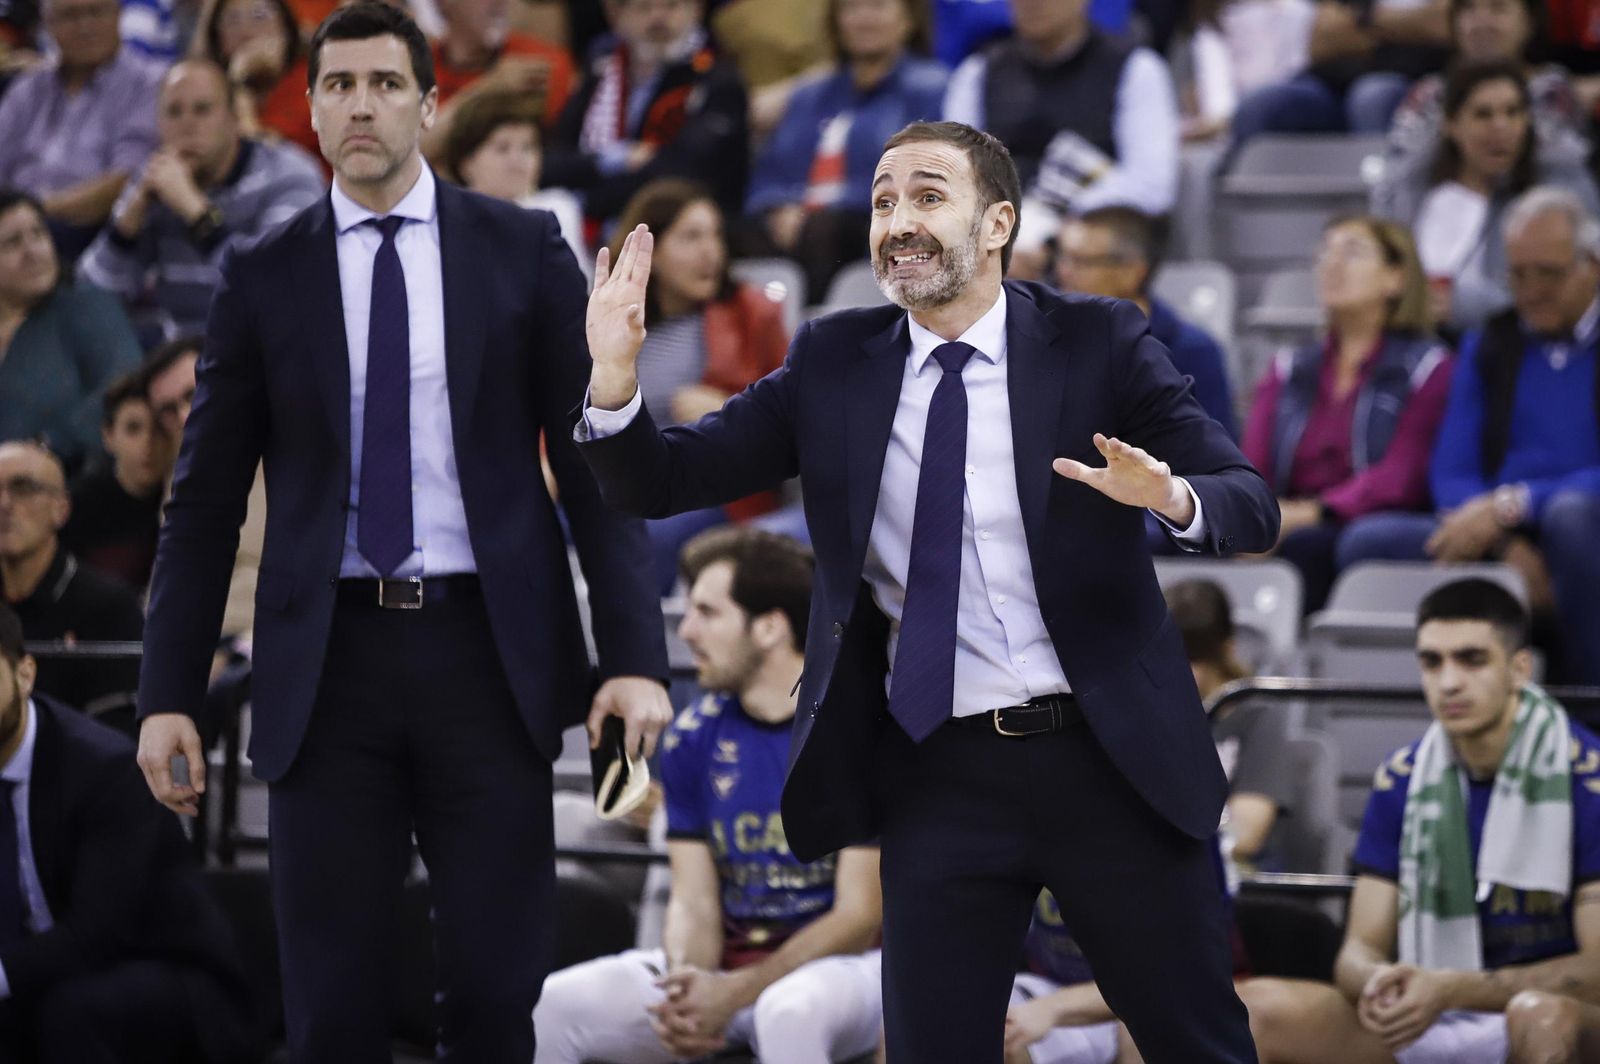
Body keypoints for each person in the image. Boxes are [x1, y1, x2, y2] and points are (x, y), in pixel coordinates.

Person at [577, 118, 1276, 1062]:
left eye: (926, 197)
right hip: (938, 769)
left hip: (1108, 759)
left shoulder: (1095, 341)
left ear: (997, 224)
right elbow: (657, 481)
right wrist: (616, 377)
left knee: (1198, 1044)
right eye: (881, 201)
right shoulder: (834, 362)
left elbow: (1251, 505)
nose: (896, 221)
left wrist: (1173, 497)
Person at [134, 5, 671, 1060]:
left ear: (429, 105)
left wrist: (636, 660)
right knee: (330, 1008)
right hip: (326, 663)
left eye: (385, 83)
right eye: (338, 85)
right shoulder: (262, 268)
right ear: (312, 111)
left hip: (485, 654)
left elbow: (593, 467)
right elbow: (202, 500)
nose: (361, 104)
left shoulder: (519, 246)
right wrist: (164, 693)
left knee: (493, 992)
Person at [535, 526, 885, 1064]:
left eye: (707, 612)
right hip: (729, 974)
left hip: (847, 973)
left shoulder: (853, 732)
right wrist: (689, 987)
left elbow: (859, 917)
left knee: (790, 1012)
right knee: (553, 1006)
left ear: (769, 627)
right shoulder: (693, 736)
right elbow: (694, 899)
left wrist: (734, 993)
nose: (688, 630)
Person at [1237, 577, 1600, 1064]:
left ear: (1520, 668)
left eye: (1471, 660)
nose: (1448, 682)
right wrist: (1381, 981)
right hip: (1433, 1008)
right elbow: (1358, 950)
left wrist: (1454, 989)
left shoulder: (1589, 776)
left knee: (1541, 1017)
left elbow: (1597, 970)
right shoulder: (1402, 779)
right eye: (1432, 662)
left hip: (1554, 1012)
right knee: (1255, 1008)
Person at [1337, 186, 1600, 684]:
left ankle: (1589, 702)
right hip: (1498, 529)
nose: (1531, 290)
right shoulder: (1492, 344)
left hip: (1579, 523)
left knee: (1572, 520)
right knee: (1365, 543)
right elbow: (1452, 471)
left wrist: (1519, 504)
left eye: (1549, 273)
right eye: (1518, 274)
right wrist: (1503, 543)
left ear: (1593, 266)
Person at [0, 602, 257, 1064]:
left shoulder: (102, 768)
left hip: (160, 972)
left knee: (68, 1011)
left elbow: (98, 934)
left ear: (25, 673)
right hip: (44, 971)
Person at [1240, 215, 1454, 613]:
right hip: (1286, 520)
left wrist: (1311, 512)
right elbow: (1252, 466)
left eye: (1352, 252)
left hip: (1364, 521)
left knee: (1311, 545)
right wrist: (1251, 516)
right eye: (1325, 252)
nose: (1332, 264)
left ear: (1396, 278)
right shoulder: (1287, 368)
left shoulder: (1428, 367)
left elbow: (1400, 478)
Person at [605, 178, 790, 592]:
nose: (711, 251)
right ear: (647, 248)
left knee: (647, 537)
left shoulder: (752, 314)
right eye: (691, 237)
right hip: (619, 486)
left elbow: (797, 415)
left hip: (713, 490)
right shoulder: (614, 320)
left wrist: (726, 407)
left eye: (715, 235)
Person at [78, 58, 328, 339]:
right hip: (181, 354)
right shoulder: (158, 181)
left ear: (234, 118)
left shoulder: (289, 175)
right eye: (174, 112)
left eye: (202, 110)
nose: (187, 125)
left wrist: (196, 213)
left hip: (269, 350)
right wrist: (127, 223)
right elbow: (89, 303)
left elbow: (273, 290)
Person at [942, 0, 1179, 280]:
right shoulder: (978, 72)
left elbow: (1151, 186)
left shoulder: (1137, 69)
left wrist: (1052, 231)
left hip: (1095, 252)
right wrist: (999, 238)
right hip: (999, 245)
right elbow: (955, 178)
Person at [742, 0, 946, 306]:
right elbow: (770, 170)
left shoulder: (931, 88)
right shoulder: (809, 94)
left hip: (872, 220)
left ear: (908, 19)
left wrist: (824, 209)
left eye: (877, 7)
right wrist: (777, 207)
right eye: (851, 8)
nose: (864, 18)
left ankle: (814, 337)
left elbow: (924, 172)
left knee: (824, 229)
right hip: (795, 223)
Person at [1373, 60, 1599, 333]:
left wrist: (1470, 306)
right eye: (1483, 114)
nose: (1501, 126)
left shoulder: (1559, 195)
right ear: (1451, 124)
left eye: (1513, 112)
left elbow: (1578, 296)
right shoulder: (1408, 192)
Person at [543, 0, 750, 225]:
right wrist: (614, 159)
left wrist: (586, 200)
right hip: (594, 217)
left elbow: (681, 172)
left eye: (671, 6)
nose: (658, 19)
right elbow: (551, 160)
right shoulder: (602, 73)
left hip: (681, 226)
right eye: (644, 7)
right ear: (618, 16)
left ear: (696, 11)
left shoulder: (717, 80)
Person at [1053, 207, 1236, 436]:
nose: (1064, 272)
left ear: (1132, 271)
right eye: (1063, 257)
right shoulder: (1047, 339)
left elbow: (1218, 454)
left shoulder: (1192, 351)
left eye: (1081, 261)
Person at [0, 0, 163, 251]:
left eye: (96, 11)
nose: (85, 26)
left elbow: (128, 179)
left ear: (118, 14)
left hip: (94, 237)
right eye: (70, 15)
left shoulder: (150, 85)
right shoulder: (28, 87)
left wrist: (34, 213)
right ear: (47, 23)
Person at [0, 190, 143, 470]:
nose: (32, 251)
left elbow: (122, 387)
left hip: (74, 486)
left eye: (39, 234)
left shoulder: (86, 306)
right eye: (12, 243)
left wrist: (48, 445)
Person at [0, 442, 143, 718]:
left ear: (61, 509)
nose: (4, 504)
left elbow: (118, 738)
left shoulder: (109, 608)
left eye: (24, 488)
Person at [1166, 578, 1297, 874]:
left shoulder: (1258, 718)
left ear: (1226, 650)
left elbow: (1247, 836)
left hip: (1234, 875)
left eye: (1190, 658)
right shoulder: (1146, 714)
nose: (1172, 671)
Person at [1385, 0, 1591, 171]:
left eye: (1498, 8)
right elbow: (1398, 170)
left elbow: (1563, 166)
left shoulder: (1551, 90)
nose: (1481, 23)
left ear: (1529, 22)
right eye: (1469, 9)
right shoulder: (1431, 93)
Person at [1226, 0, 1451, 149]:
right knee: (1260, 105)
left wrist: (1362, 20)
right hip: (1328, 86)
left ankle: (1374, 214)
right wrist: (1400, 29)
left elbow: (1444, 25)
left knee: (1371, 97)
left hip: (1411, 82)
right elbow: (1321, 36)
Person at [434, 87, 588, 278]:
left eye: (528, 147)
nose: (517, 159)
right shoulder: (444, 218)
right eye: (502, 148)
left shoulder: (558, 208)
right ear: (466, 162)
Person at [62, 370, 169, 592]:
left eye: (159, 428)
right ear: (109, 436)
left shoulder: (183, 502)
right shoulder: (75, 505)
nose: (147, 443)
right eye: (133, 429)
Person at [423, 0, 575, 155]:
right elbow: (414, 152)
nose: (500, 2)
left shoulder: (540, 62)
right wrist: (488, 89)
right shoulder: (417, 69)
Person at [199, 0, 319, 160]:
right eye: (233, 20)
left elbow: (265, 162)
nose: (246, 32)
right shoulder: (203, 90)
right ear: (217, 38)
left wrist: (240, 83)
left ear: (285, 28)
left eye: (260, 15)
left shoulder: (310, 81)